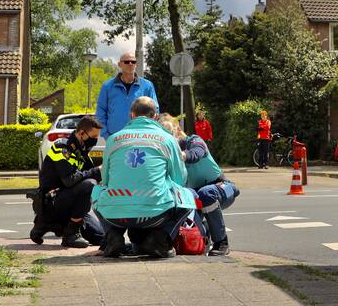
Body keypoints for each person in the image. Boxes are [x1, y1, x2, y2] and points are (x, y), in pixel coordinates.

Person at [93, 97, 195, 258]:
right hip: (155, 214)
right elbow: (179, 178)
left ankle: (113, 236)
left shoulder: (113, 140)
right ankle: (160, 240)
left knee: (96, 191)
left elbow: (105, 179)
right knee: (187, 195)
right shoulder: (168, 140)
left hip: (115, 215)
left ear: (131, 115)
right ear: (155, 116)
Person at [159, 114, 238, 256]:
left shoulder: (194, 140)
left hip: (222, 186)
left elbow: (197, 152)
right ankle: (202, 235)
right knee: (184, 197)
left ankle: (222, 242)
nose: (167, 139)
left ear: (177, 131)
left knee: (206, 193)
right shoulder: (164, 152)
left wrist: (181, 155)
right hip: (196, 192)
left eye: (169, 133)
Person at [31, 115, 105, 249]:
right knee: (89, 184)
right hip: (52, 202)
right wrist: (96, 171)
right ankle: (70, 234)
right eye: (93, 137)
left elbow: (87, 173)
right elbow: (69, 180)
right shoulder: (62, 148)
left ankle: (46, 224)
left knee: (102, 238)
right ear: (81, 133)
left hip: (69, 200)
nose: (94, 140)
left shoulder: (81, 150)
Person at [95, 52, 159, 139]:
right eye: (127, 62)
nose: (130, 64)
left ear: (136, 65)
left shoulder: (147, 86)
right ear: (119, 64)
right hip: (115, 138)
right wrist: (106, 135)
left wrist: (150, 134)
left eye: (133, 62)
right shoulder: (107, 86)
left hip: (141, 137)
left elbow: (155, 110)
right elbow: (100, 111)